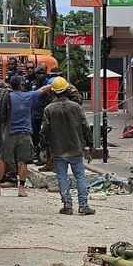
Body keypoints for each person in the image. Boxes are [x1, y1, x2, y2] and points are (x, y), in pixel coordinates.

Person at [41, 76, 96, 216]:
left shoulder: (49, 109)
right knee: (80, 177)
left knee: (62, 177)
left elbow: (45, 131)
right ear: (67, 90)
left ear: (53, 92)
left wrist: (44, 148)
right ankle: (83, 205)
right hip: (76, 148)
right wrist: (91, 144)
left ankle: (67, 205)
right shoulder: (76, 107)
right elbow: (85, 126)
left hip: (58, 150)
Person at [0, 74, 50, 197]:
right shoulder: (28, 96)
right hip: (25, 134)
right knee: (23, 162)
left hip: (9, 134)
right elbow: (42, 90)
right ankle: (21, 189)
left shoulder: (7, 97)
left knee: (2, 160)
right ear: (22, 85)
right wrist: (53, 83)